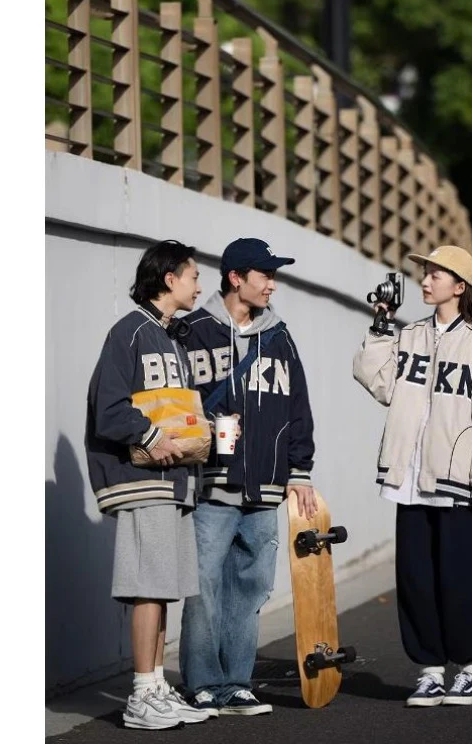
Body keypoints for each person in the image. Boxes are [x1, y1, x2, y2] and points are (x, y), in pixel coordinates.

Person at [352, 245, 472, 708]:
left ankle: (467, 671)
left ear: (459, 286)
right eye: (425, 273)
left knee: (461, 581)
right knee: (417, 580)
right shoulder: (410, 335)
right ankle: (428, 671)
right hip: (411, 480)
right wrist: (382, 324)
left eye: (436, 275)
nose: (425, 281)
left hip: (460, 485)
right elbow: (378, 381)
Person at [176, 237, 318, 718]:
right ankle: (202, 684)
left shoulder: (280, 336)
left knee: (251, 589)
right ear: (237, 278)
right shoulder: (192, 331)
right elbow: (175, 401)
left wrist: (300, 471)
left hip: (267, 488)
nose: (272, 284)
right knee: (203, 588)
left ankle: (236, 682)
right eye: (265, 275)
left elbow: (298, 407)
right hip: (212, 484)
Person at [84, 240, 210, 730]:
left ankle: (156, 686)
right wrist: (151, 435)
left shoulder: (174, 339)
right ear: (168, 278)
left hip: (175, 481)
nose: (200, 285)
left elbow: (174, 410)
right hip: (141, 479)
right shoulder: (129, 332)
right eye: (194, 275)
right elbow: (108, 408)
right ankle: (140, 696)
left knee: (164, 587)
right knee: (146, 588)